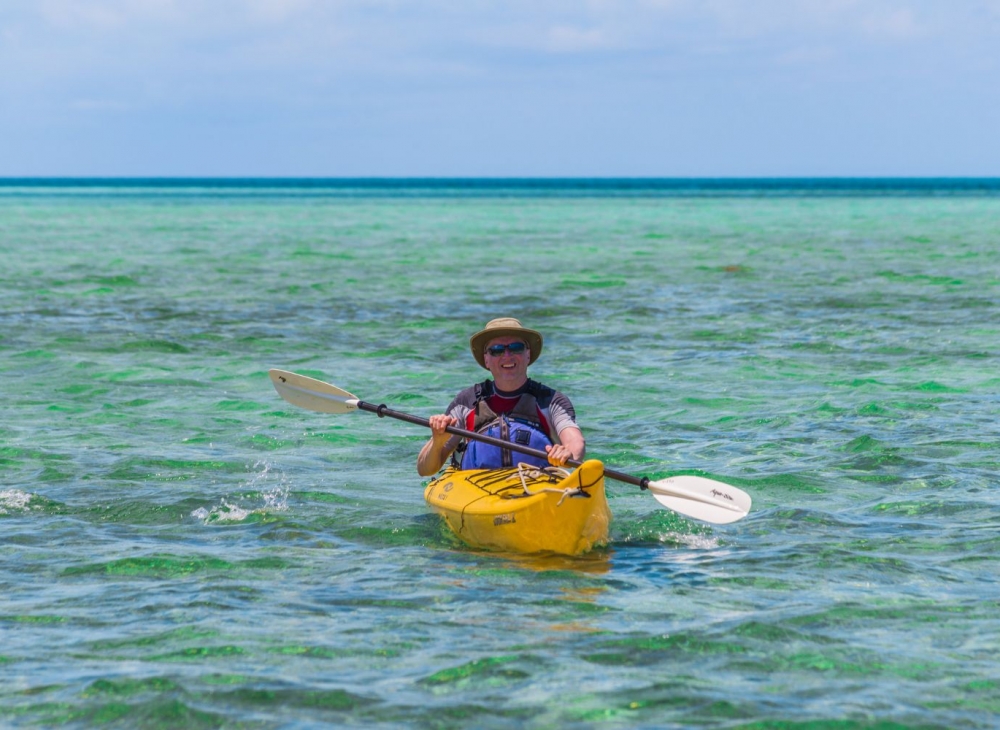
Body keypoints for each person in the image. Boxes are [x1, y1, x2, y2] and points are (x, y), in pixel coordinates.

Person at [417, 318, 585, 476]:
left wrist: (568, 453)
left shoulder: (550, 400)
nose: (507, 355)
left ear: (528, 354)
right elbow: (425, 469)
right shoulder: (466, 402)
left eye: (516, 347)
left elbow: (575, 442)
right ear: (486, 360)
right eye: (496, 350)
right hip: (476, 487)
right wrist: (437, 442)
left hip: (538, 483)